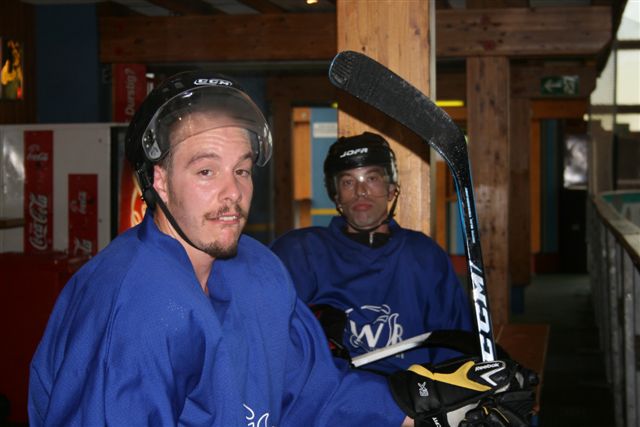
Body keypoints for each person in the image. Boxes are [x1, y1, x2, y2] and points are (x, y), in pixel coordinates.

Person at [28, 71, 410, 426]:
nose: (233, 193)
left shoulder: (258, 269)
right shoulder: (135, 304)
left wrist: (410, 408)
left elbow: (313, 391)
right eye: (206, 171)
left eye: (241, 170)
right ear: (160, 180)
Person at [270, 132, 474, 375]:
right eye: (348, 182)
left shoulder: (424, 257)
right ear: (336, 195)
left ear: (391, 189)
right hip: (334, 395)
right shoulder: (301, 254)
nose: (360, 191)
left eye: (372, 178)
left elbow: (455, 348)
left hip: (412, 394)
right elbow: (272, 341)